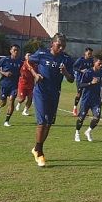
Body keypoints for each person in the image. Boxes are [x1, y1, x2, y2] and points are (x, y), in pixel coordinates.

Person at [28, 33, 74, 167]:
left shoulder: (66, 59)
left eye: (63, 46)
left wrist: (65, 72)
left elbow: (71, 80)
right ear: (52, 44)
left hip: (54, 93)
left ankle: (37, 148)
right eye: (59, 45)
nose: (61, 48)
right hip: (41, 92)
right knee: (42, 122)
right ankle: (40, 152)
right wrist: (35, 74)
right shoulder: (41, 53)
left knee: (48, 123)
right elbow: (28, 61)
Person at [74, 56, 102, 142]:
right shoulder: (88, 72)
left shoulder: (101, 73)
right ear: (94, 63)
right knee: (81, 117)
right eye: (99, 63)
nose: (101, 65)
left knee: (97, 117)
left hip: (96, 100)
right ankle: (77, 133)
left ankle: (88, 131)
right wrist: (91, 83)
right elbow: (80, 84)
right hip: (86, 99)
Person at [0, 45, 23, 127]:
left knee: (12, 100)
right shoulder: (5, 59)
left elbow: (22, 72)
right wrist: (4, 73)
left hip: (14, 85)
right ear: (11, 51)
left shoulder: (20, 62)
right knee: (3, 103)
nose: (16, 52)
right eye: (14, 50)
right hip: (4, 84)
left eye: (17, 50)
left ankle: (6, 121)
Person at [72, 47, 94, 116]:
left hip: (88, 80)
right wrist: (81, 70)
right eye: (89, 53)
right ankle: (74, 108)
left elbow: (93, 68)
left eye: (91, 54)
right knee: (79, 94)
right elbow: (74, 67)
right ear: (85, 53)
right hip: (80, 80)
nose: (90, 55)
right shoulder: (80, 60)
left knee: (86, 95)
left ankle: (83, 110)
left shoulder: (91, 60)